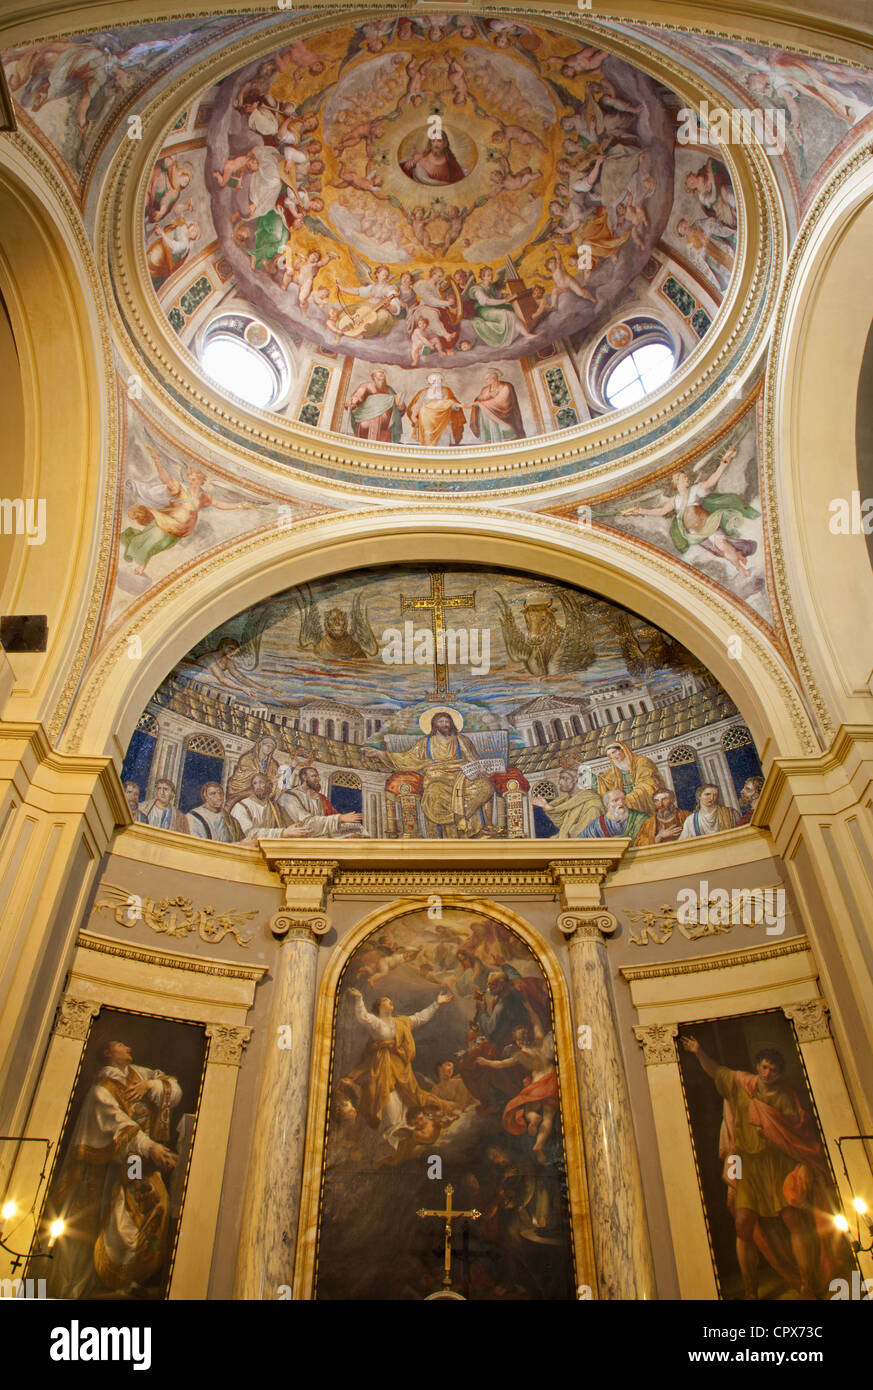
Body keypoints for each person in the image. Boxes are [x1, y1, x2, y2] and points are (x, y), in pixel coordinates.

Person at [681, 1034, 849, 1299]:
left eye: (773, 1068)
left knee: (793, 1221)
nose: (768, 1072)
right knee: (743, 1225)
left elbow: (796, 1136)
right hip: (749, 1167)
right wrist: (699, 1051)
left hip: (779, 1164)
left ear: (780, 1072)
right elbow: (717, 1072)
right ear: (757, 1066)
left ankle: (806, 1284)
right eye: (764, 1066)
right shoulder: (742, 1084)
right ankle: (751, 1291)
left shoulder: (786, 1099)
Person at [44, 1038, 180, 1299]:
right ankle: (114, 1282)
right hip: (110, 1164)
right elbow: (117, 1125)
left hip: (134, 1162)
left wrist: (150, 1085)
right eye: (120, 1044)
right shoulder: (101, 1089)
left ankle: (129, 1276)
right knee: (120, 1216)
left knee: (157, 1203)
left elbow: (173, 1088)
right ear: (108, 1053)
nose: (128, 1046)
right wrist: (150, 1147)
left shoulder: (140, 1074)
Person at [622, 450, 760, 576]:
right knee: (720, 552)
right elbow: (660, 511)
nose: (687, 478)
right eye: (683, 477)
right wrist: (640, 511)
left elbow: (710, 482)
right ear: (677, 482)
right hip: (695, 534)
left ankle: (740, 568)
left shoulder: (694, 490)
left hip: (708, 526)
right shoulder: (675, 501)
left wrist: (722, 466)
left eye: (686, 476)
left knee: (723, 545)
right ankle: (737, 554)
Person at [343, 988, 453, 1146]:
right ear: (379, 1007)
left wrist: (436, 1003)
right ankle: (393, 1137)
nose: (390, 1001)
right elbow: (362, 1017)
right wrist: (359, 998)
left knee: (407, 1101)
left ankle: (406, 1134)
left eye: (390, 999)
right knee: (389, 1102)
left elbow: (419, 1018)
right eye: (386, 1000)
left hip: (402, 1068)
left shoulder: (401, 1022)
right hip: (383, 1068)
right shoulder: (376, 1022)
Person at [121, 452, 257, 578]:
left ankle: (144, 561)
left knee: (160, 545)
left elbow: (218, 504)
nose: (192, 481)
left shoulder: (203, 497)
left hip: (182, 529)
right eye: (191, 479)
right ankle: (141, 562)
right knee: (152, 540)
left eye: (195, 479)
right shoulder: (181, 489)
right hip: (166, 521)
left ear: (200, 480)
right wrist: (158, 462)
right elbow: (166, 479)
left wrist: (239, 505)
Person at [381, 708, 495, 837]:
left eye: (447, 721)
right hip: (437, 779)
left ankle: (463, 819)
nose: (445, 724)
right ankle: (454, 826)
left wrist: (484, 770)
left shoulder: (462, 740)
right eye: (441, 721)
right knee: (434, 792)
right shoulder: (425, 743)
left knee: (485, 786)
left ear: (452, 723)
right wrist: (382, 754)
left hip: (463, 777)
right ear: (435, 724)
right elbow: (407, 759)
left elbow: (474, 760)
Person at [278, 764, 366, 837]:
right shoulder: (289, 797)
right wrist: (339, 818)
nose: (318, 779)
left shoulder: (318, 797)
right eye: (314, 776)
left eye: (318, 776)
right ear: (304, 778)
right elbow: (306, 825)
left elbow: (323, 823)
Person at [533, 767, 602, 838]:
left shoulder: (592, 805)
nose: (559, 782)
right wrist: (546, 806)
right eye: (560, 778)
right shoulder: (570, 800)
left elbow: (583, 833)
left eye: (564, 778)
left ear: (575, 779)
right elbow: (564, 823)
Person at [597, 740, 663, 815]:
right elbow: (605, 782)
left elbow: (648, 784)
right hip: (625, 803)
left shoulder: (642, 762)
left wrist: (631, 798)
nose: (613, 757)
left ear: (623, 750)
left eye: (614, 752)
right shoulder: (615, 770)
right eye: (610, 755)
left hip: (642, 801)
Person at [230, 771, 301, 840]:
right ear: (252, 787)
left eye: (261, 782)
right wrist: (282, 833)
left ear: (268, 785)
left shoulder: (275, 807)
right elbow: (249, 833)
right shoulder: (241, 806)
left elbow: (288, 826)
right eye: (255, 783)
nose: (258, 786)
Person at [406, 374, 466, 446]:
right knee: (427, 439)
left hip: (443, 419)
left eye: (439, 380)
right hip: (426, 419)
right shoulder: (424, 392)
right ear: (430, 382)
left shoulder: (445, 391)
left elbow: (450, 402)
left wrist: (458, 405)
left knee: (443, 439)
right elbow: (418, 404)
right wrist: (414, 414)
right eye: (435, 381)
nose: (438, 383)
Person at [346, 369, 405, 442]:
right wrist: (353, 400)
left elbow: (397, 403)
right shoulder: (366, 385)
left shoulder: (389, 389)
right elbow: (358, 395)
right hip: (367, 422)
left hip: (385, 428)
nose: (382, 374)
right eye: (380, 373)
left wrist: (401, 407)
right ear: (373, 376)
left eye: (383, 373)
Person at [466, 370, 525, 442]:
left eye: (487, 379)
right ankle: (490, 437)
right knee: (482, 408)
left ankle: (500, 436)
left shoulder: (506, 387)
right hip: (490, 416)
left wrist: (478, 403)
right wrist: (474, 403)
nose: (486, 381)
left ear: (494, 378)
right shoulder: (486, 389)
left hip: (504, 415)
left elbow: (502, 402)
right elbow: (480, 398)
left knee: (484, 406)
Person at [225, 735, 282, 808]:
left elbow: (274, 778)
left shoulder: (273, 764)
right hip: (245, 789)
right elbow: (242, 777)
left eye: (271, 747)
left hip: (263, 791)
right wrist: (260, 776)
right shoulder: (247, 758)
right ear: (260, 745)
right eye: (267, 746)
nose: (269, 749)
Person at [578, 787, 648, 842]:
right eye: (616, 800)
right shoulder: (596, 825)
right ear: (607, 804)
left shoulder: (639, 818)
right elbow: (580, 842)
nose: (621, 803)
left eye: (623, 799)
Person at [400, 132, 466, 185]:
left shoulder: (450, 161)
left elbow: (459, 181)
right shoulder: (421, 158)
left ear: (445, 143)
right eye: (433, 141)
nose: (435, 144)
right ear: (430, 143)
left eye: (439, 141)